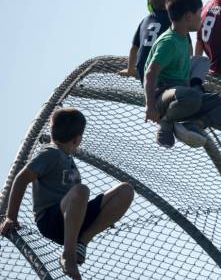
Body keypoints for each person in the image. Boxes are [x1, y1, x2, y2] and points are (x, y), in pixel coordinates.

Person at [0, 108, 134, 280]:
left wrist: (105, 214)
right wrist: (11, 216)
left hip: (75, 218)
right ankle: (68, 255)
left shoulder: (69, 161)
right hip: (51, 219)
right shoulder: (51, 154)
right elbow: (21, 179)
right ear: (77, 139)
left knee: (125, 190)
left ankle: (82, 242)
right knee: (81, 190)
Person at [143, 0, 221, 148]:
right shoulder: (169, 42)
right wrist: (150, 107)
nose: (202, 17)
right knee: (191, 96)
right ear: (188, 16)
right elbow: (150, 74)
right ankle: (166, 123)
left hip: (187, 97)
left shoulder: (184, 38)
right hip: (165, 98)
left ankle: (196, 124)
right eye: (200, 13)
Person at [119, 0, 179, 81]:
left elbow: (134, 49)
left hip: (144, 73)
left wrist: (130, 70)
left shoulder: (145, 21)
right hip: (165, 73)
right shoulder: (174, 20)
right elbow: (188, 48)